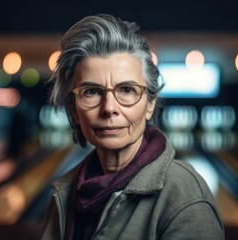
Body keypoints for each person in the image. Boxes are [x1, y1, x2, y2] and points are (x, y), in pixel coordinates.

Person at [40, 14, 224, 240]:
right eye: (92, 91)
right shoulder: (64, 193)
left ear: (150, 104)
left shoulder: (184, 197)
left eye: (126, 90)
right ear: (74, 109)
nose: (109, 108)